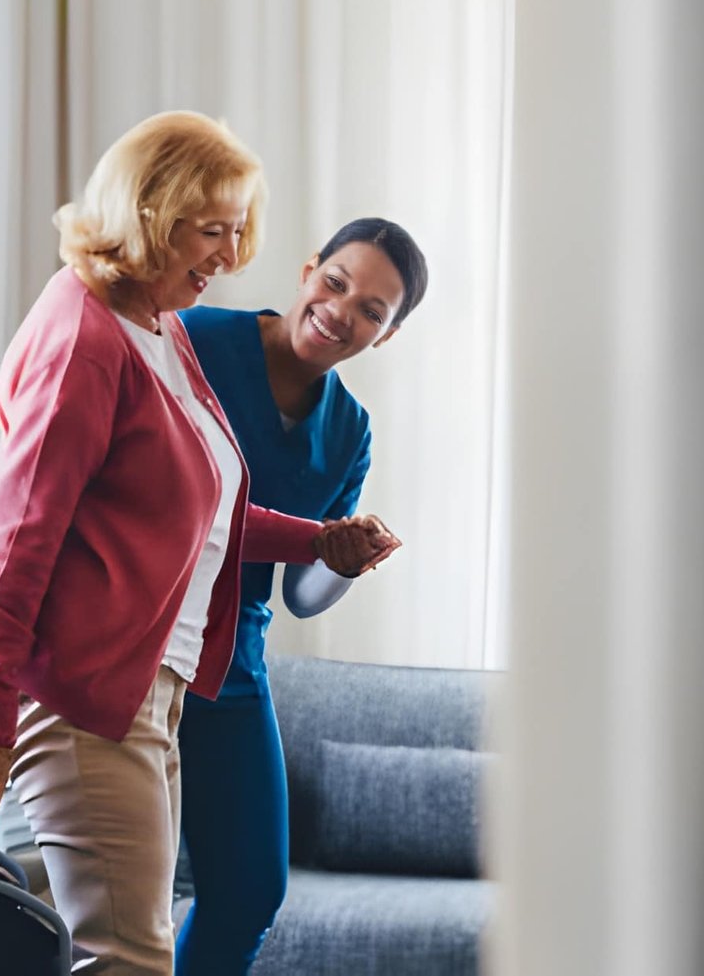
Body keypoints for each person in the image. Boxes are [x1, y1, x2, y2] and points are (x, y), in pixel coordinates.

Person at [0, 113, 401, 975]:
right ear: (153, 210)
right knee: (129, 958)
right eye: (212, 230)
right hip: (90, 697)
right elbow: (11, 551)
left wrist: (323, 542)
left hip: (159, 687)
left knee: (136, 947)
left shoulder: (156, 328)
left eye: (237, 232)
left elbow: (202, 514)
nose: (229, 257)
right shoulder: (86, 334)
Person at [173, 217, 428, 974]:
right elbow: (173, 509)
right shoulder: (190, 339)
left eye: (372, 311)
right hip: (137, 641)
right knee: (125, 889)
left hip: (231, 669)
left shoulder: (349, 431)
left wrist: (343, 560)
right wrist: (313, 537)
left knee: (251, 890)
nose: (341, 310)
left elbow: (302, 596)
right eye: (337, 282)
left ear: (385, 335)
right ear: (309, 269)